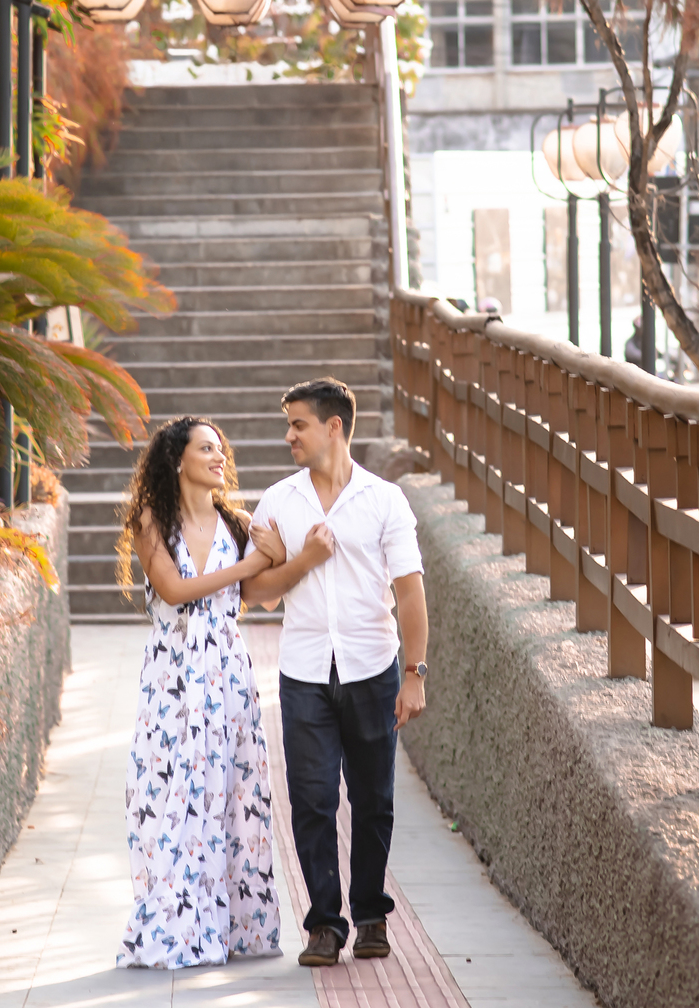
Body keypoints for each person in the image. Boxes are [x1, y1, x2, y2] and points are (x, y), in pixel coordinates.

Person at [114, 414, 333, 969]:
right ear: (176, 459)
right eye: (206, 448)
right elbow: (176, 589)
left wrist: (293, 559)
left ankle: (236, 926)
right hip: (174, 674)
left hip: (228, 672)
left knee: (231, 792)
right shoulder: (150, 520)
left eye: (220, 449)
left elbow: (258, 594)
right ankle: (176, 928)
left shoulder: (237, 525)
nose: (219, 457)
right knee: (173, 796)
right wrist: (256, 563)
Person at [243, 377, 428, 971]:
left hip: (373, 667)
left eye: (297, 424)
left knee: (373, 797)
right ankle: (325, 924)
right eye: (287, 424)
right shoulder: (279, 502)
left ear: (334, 427)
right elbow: (258, 593)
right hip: (302, 673)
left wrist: (415, 673)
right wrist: (306, 559)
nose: (288, 435)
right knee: (313, 799)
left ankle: (370, 915)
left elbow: (409, 592)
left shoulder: (384, 501)